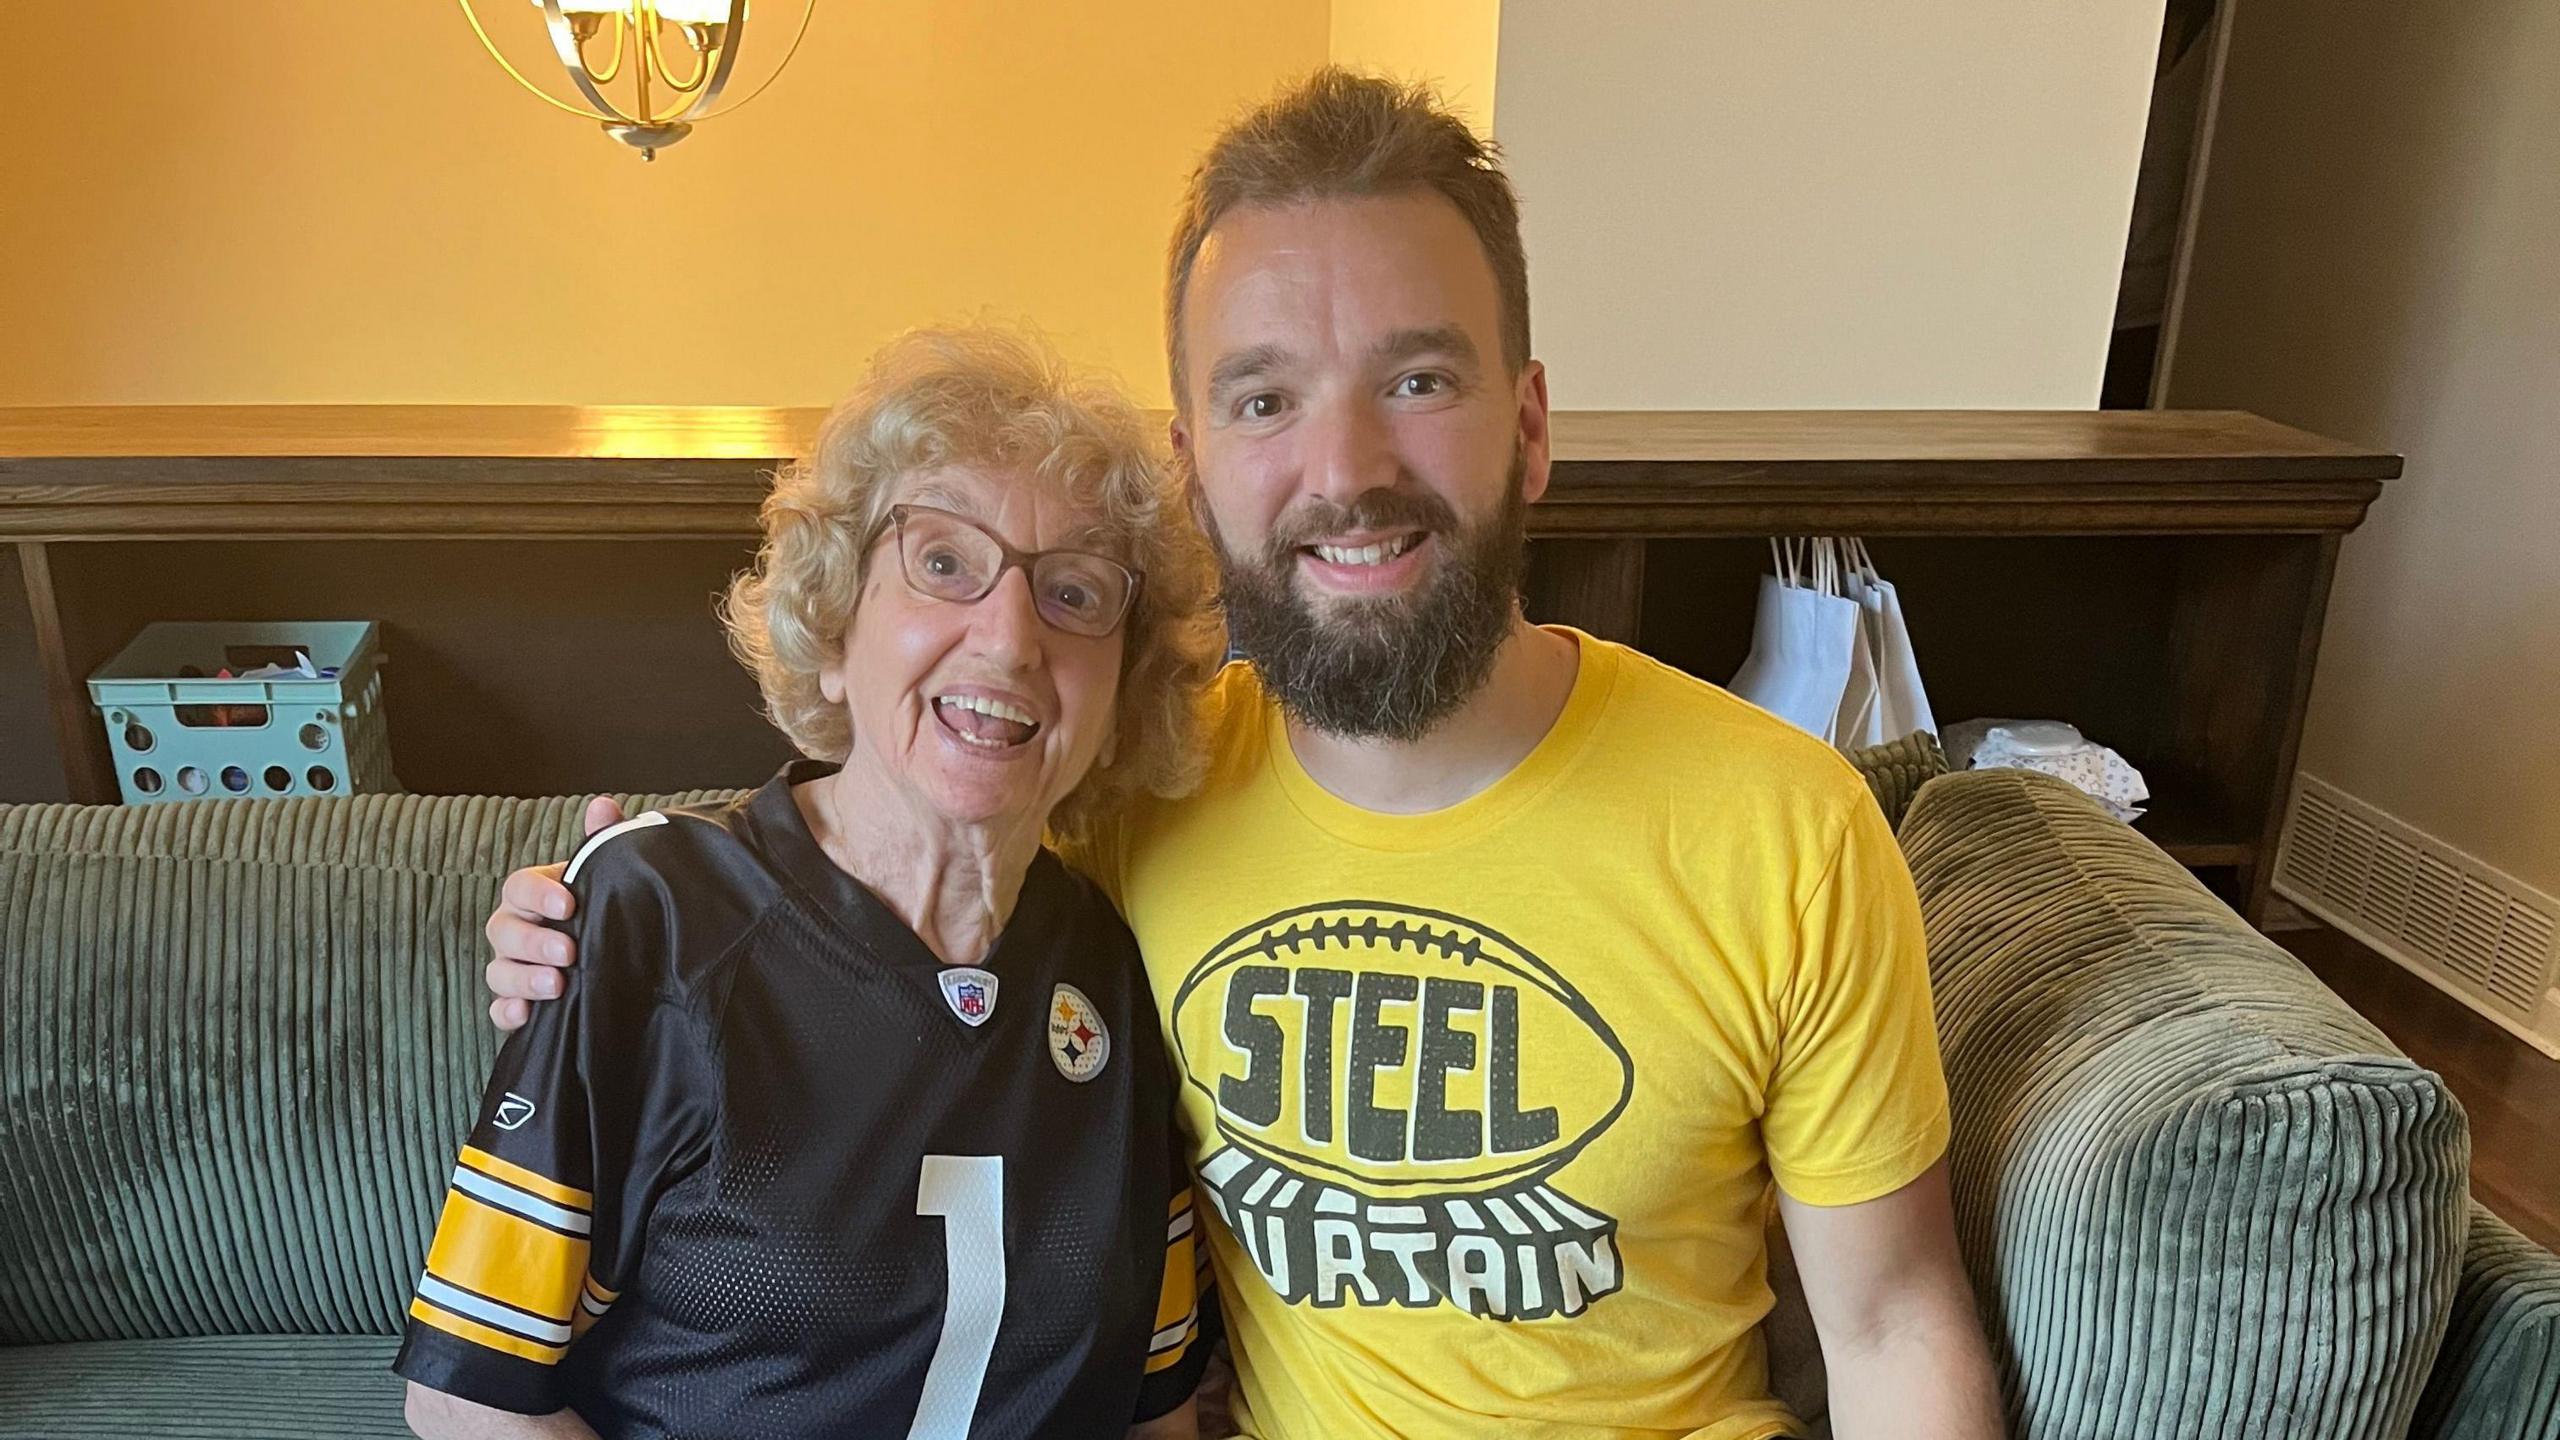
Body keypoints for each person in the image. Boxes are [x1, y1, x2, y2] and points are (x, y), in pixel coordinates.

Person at [482, 71, 2007, 1439]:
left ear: (1529, 429)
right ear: (1194, 467)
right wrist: (598, 917)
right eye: (1267, 399)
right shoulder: (1127, 791)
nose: (1343, 472)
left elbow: (1889, 1328)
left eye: (1419, 380)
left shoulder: (1786, 828)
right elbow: (863, 851)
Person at [399, 327, 1223, 1439]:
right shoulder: (654, 918)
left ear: (1122, 695)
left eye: (1075, 593)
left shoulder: (1118, 966)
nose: (1012, 634)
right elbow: (467, 1402)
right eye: (942, 562)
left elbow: (1154, 1410)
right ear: (835, 628)